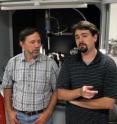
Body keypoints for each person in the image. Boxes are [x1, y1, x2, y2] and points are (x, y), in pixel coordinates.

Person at [57, 20, 117, 124]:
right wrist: (80, 92)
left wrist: (76, 101)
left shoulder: (108, 64)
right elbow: (60, 94)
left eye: (84, 35)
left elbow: (109, 103)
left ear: (95, 37)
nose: (80, 40)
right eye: (77, 37)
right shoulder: (69, 62)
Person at [2, 27, 59, 124]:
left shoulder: (50, 64)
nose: (37, 45)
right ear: (22, 44)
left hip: (41, 117)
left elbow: (57, 90)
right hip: (18, 117)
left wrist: (47, 113)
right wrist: (9, 112)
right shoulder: (13, 63)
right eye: (32, 42)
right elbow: (7, 87)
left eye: (38, 41)